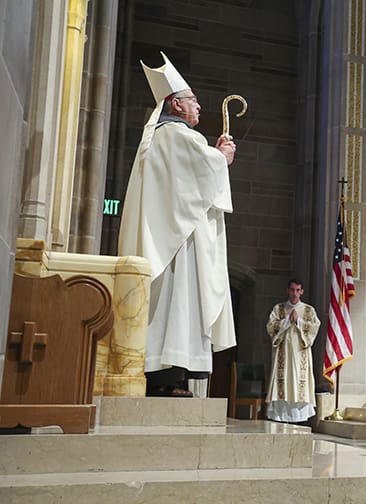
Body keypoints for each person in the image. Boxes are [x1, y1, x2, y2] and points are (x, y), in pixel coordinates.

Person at [119, 52, 237, 397]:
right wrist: (222, 159)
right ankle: (169, 378)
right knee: (179, 303)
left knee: (174, 306)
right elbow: (202, 174)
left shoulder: (163, 136)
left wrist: (214, 158)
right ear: (175, 104)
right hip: (177, 244)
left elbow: (194, 177)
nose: (199, 106)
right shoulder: (176, 135)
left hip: (172, 234)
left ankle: (170, 377)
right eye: (193, 101)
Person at [265, 279, 321, 422]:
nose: (294, 293)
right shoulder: (279, 309)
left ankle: (299, 418)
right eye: (292, 290)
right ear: (287, 290)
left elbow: (314, 327)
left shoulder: (309, 310)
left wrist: (299, 322)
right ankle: (280, 417)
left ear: (301, 291)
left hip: (300, 354)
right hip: (282, 355)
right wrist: (287, 321)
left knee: (298, 382)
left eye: (297, 290)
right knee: (282, 383)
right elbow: (270, 327)